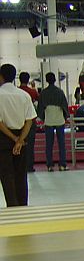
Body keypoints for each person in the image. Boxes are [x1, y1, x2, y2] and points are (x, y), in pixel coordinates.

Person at [0, 63, 37, 207]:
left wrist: (13, 138)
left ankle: (12, 205)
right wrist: (20, 140)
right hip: (22, 137)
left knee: (7, 174)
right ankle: (23, 205)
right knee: (21, 174)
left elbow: (0, 123)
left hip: (4, 139)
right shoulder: (24, 95)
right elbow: (29, 120)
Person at [37, 72, 70, 172]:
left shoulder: (43, 93)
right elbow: (65, 106)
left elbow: (40, 109)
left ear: (46, 80)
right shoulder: (60, 92)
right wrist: (65, 117)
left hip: (49, 120)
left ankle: (50, 165)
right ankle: (62, 165)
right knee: (61, 143)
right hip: (59, 120)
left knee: (49, 144)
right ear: (55, 79)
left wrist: (43, 118)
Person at [18, 71, 38, 173]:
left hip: (19, 121)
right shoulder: (32, 92)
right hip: (30, 121)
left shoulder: (17, 92)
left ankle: (20, 166)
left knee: (18, 143)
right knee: (30, 145)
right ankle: (29, 166)